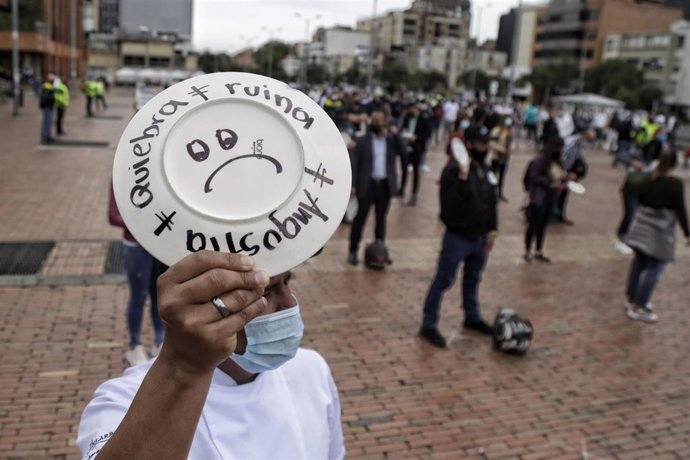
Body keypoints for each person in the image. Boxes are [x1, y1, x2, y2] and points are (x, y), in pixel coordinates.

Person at [77, 252, 345, 458]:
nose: (290, 304)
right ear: (201, 302)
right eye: (268, 291)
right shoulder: (121, 403)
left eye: (288, 282)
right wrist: (186, 365)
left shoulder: (311, 370)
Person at [418, 125, 498, 348]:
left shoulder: (485, 169)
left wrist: (493, 230)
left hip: (480, 238)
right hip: (458, 238)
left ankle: (472, 316)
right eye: (482, 143)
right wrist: (462, 178)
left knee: (473, 279)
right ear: (469, 144)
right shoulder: (453, 170)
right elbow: (450, 207)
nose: (486, 147)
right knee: (444, 279)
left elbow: (491, 201)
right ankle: (429, 323)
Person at [624, 152, 689, 323]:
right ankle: (638, 306)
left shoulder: (649, 178)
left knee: (639, 262)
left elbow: (633, 192)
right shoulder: (675, 184)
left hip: (641, 225)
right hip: (659, 231)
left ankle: (632, 299)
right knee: (655, 267)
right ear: (674, 165)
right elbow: (681, 210)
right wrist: (687, 232)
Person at [108, 183, 165, 366]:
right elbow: (113, 215)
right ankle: (135, 345)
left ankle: (160, 340)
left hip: (158, 244)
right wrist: (143, 223)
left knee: (159, 294)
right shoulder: (121, 175)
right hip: (136, 246)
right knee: (138, 296)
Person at [348, 110, 403, 266]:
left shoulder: (391, 140)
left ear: (386, 122)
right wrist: (353, 185)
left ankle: (380, 251)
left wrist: (396, 134)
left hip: (384, 185)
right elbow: (354, 162)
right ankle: (352, 251)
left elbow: (404, 153)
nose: (377, 123)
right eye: (374, 120)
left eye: (380, 120)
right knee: (359, 220)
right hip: (367, 185)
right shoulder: (362, 140)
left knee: (381, 221)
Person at [523, 138, 565, 263]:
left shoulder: (556, 161)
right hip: (538, 198)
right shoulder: (540, 160)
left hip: (550, 197)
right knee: (533, 225)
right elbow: (534, 177)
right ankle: (527, 250)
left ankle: (539, 250)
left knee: (543, 225)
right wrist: (550, 181)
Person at [554, 129, 594, 225]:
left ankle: (559, 215)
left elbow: (576, 157)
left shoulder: (579, 143)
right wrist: (564, 173)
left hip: (566, 170)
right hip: (560, 170)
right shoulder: (571, 142)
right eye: (589, 140)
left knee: (563, 194)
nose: (589, 143)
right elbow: (562, 157)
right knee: (556, 192)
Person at [400, 102, 433, 206]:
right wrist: (404, 130)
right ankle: (402, 189)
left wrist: (417, 137)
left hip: (417, 147)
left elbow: (427, 134)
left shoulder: (424, 118)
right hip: (407, 145)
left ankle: (414, 194)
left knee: (415, 171)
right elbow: (403, 127)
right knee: (404, 168)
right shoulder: (407, 117)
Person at [489, 115, 513, 202]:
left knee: (502, 176)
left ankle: (499, 193)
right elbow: (491, 142)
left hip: (505, 158)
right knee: (494, 175)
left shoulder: (509, 131)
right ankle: (491, 193)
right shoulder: (497, 130)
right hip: (496, 156)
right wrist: (502, 149)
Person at [39, 73, 56, 145]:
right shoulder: (47, 86)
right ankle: (45, 137)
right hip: (47, 106)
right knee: (47, 122)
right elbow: (46, 97)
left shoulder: (49, 86)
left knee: (49, 122)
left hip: (49, 106)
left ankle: (48, 136)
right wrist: (52, 99)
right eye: (52, 78)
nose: (53, 80)